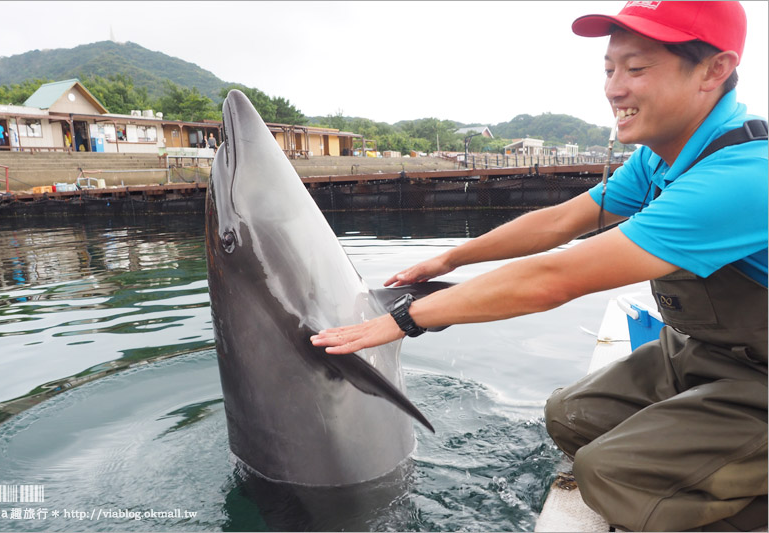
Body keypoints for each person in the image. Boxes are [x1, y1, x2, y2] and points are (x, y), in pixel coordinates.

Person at [311, 2, 767, 531]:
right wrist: (450, 257)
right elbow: (559, 223)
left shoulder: (743, 174)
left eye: (636, 69)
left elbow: (557, 278)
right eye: (609, 69)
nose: (614, 88)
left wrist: (406, 319)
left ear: (715, 70)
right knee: (570, 417)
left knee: (613, 476)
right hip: (706, 352)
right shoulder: (662, 154)